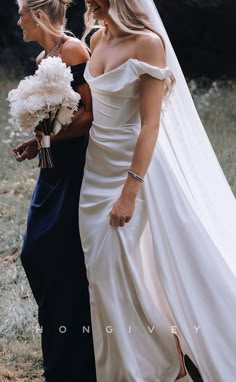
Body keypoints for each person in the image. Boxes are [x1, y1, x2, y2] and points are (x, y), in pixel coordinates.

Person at [79, 0, 236, 381]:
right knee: (104, 276)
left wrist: (130, 191)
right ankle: (135, 366)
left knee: (135, 267)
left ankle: (161, 369)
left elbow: (150, 125)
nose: (88, 3)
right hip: (95, 172)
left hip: (132, 169)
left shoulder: (148, 43)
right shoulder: (96, 39)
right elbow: (91, 110)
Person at [13, 1, 97, 381]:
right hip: (53, 167)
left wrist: (51, 133)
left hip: (77, 168)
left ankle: (74, 363)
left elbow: (91, 114)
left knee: (58, 259)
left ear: (40, 16)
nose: (18, 21)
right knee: (36, 255)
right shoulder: (42, 58)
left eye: (22, 14)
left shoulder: (75, 50)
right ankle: (60, 357)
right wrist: (38, 141)